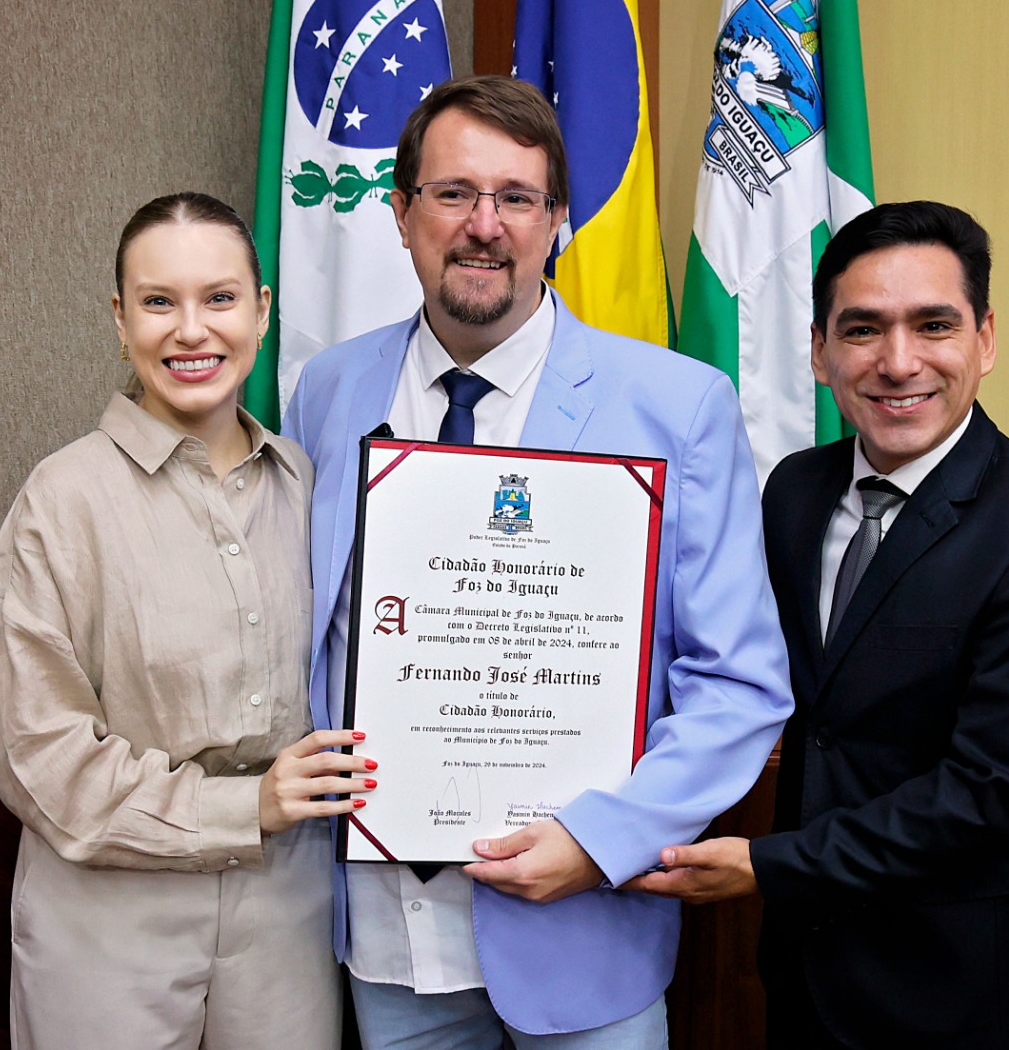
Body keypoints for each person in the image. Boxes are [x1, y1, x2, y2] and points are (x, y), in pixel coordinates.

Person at [282, 75, 793, 1047]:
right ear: (400, 212)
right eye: (453, 193)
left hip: (582, 927)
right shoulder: (326, 391)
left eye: (517, 198)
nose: (485, 225)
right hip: (386, 936)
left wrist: (599, 842)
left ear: (556, 219)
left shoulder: (675, 407)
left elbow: (740, 684)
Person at [629, 201, 1009, 1048]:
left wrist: (769, 866)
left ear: (986, 338)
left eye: (933, 325)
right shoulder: (793, 489)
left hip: (959, 985)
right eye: (862, 330)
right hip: (804, 970)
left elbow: (996, 793)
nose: (899, 363)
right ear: (820, 353)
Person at [0, 192, 372, 1050]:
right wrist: (244, 807)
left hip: (288, 910)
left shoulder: (313, 486)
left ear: (262, 313)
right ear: (120, 321)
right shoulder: (62, 499)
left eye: (220, 298)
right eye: (159, 303)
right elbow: (37, 757)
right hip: (109, 918)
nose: (191, 331)